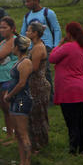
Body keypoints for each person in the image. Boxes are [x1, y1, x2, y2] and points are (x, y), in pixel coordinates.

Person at [49, 22, 83, 155]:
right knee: (81, 120)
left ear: (69, 33)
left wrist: (60, 43)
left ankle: (73, 149)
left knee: (71, 122)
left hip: (69, 90)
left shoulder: (68, 47)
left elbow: (52, 58)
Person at [20, 0, 61, 102]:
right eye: (26, 1)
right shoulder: (27, 16)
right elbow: (23, 33)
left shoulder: (48, 13)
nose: (26, 4)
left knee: (45, 72)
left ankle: (51, 97)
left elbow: (56, 29)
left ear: (36, 1)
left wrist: (55, 46)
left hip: (46, 46)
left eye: (28, 1)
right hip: (31, 48)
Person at [3, 36, 33, 165]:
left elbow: (22, 83)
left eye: (13, 46)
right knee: (19, 134)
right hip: (15, 99)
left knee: (23, 132)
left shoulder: (26, 62)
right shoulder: (19, 61)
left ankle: (27, 164)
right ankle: (21, 163)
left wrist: (10, 94)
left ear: (17, 47)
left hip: (22, 99)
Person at [0, 17, 18, 142]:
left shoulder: (14, 41)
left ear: (12, 28)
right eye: (0, 27)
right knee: (4, 109)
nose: (2, 30)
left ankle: (17, 135)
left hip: (9, 78)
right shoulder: (2, 42)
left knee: (10, 108)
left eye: (5, 27)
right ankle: (9, 134)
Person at [25, 22, 51, 152]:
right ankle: (35, 143)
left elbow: (33, 68)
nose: (26, 33)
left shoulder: (38, 48)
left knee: (38, 116)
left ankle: (40, 144)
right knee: (33, 116)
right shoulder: (34, 46)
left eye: (29, 31)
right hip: (33, 84)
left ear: (35, 33)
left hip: (38, 85)